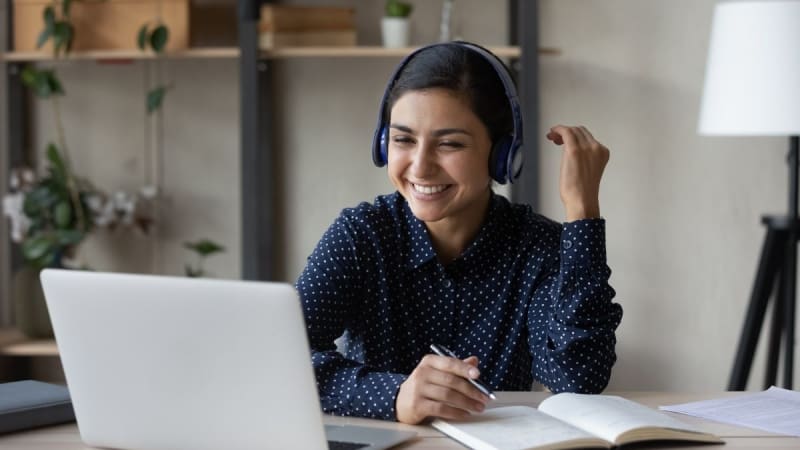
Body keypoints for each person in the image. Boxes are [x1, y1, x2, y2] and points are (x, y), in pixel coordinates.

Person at [296, 41, 623, 425]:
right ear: (384, 145)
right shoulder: (361, 235)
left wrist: (582, 213)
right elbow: (278, 360)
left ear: (502, 155)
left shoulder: (537, 247)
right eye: (403, 139)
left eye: (449, 144)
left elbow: (577, 379)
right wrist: (395, 395)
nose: (420, 167)